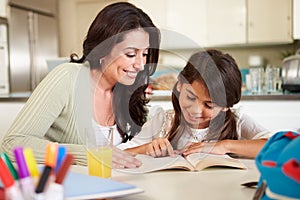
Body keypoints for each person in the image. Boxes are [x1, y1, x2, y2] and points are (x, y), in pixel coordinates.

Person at [1, 2, 160, 168]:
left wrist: (147, 147)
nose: (141, 64)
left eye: (145, 54)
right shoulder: (68, 77)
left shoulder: (127, 91)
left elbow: (118, 154)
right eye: (131, 54)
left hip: (118, 186)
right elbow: (12, 144)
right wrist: (85, 154)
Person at [122, 49, 271, 159]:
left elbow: (280, 148)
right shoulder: (163, 121)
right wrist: (147, 148)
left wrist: (225, 145)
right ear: (180, 85)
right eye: (190, 97)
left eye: (209, 106)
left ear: (226, 105)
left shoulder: (238, 122)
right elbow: (116, 155)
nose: (196, 110)